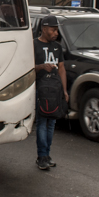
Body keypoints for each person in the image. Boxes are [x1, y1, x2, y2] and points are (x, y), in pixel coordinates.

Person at [33, 15, 68, 171]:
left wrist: (64, 91)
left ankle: (47, 154)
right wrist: (41, 67)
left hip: (55, 90)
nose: (56, 33)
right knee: (42, 122)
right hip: (40, 89)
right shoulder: (34, 45)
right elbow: (27, 67)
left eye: (57, 30)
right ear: (44, 29)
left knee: (52, 122)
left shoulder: (57, 47)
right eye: (53, 30)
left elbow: (61, 69)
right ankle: (41, 156)